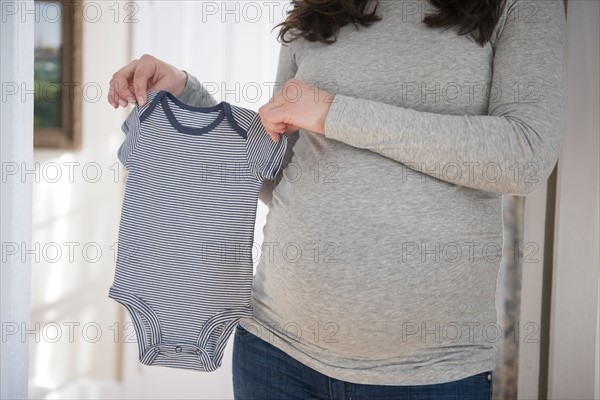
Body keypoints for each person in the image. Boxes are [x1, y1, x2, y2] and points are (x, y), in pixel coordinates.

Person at [107, 0, 566, 398]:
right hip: (275, 351)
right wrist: (189, 97)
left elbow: (523, 157)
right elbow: (276, 165)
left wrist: (333, 112)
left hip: (429, 372)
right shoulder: (317, 10)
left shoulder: (519, 6)